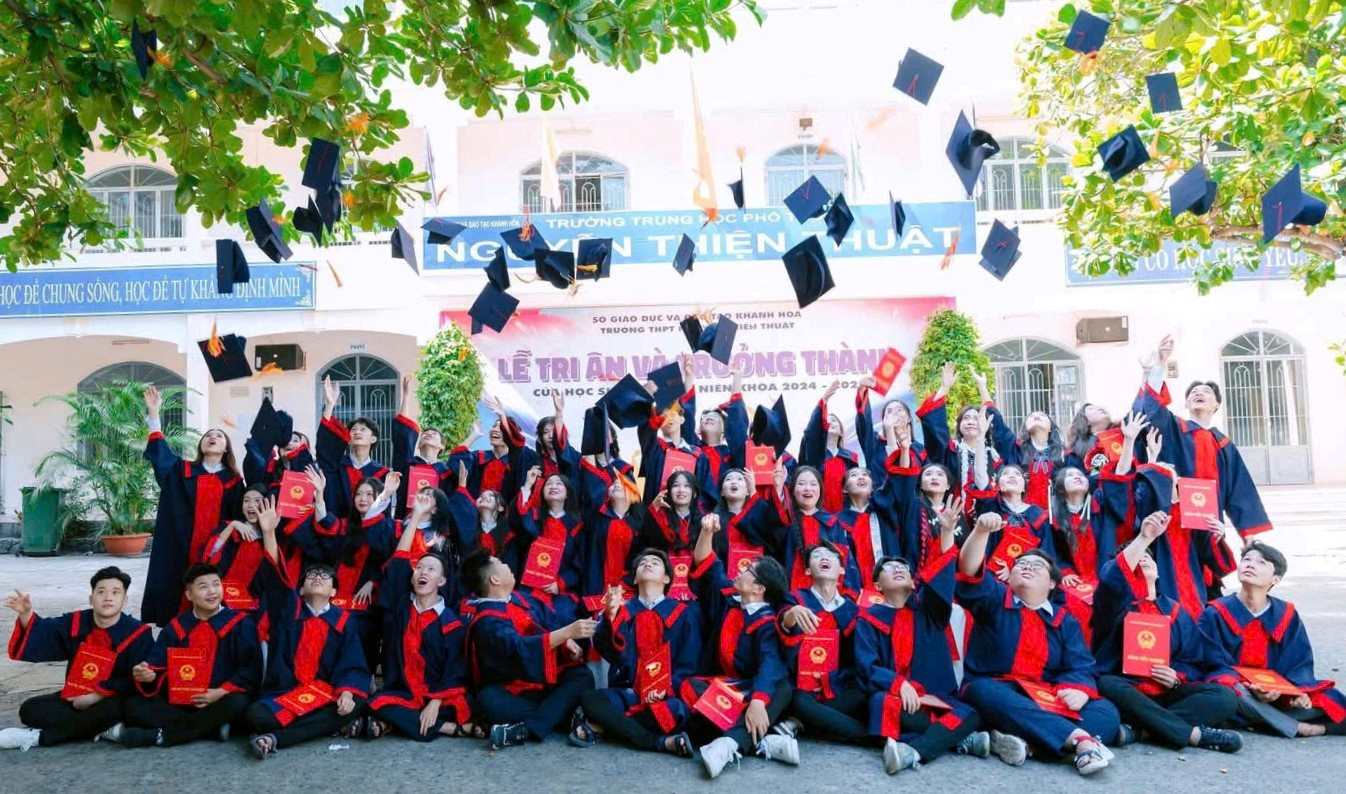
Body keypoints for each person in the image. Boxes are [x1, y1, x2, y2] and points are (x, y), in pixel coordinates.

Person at [957, 513, 1121, 777]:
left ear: (1053, 583)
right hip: (1000, 687)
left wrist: (1077, 690)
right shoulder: (995, 598)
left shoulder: (1064, 620)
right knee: (982, 692)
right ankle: (1081, 742)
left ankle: (1027, 744)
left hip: (1046, 694)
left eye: (1037, 565)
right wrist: (979, 531)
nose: (1027, 566)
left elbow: (1081, 666)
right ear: (1008, 577)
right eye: (1020, 563)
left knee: (1106, 712)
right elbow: (969, 570)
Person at [1090, 511, 1243, 753]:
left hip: (1166, 690)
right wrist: (1143, 539)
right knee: (1108, 683)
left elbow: (1196, 658)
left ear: (1158, 571)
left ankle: (1142, 730)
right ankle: (1192, 734)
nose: (1142, 560)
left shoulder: (1174, 611)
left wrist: (1176, 677)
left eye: (1147, 559)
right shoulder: (1114, 605)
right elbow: (1111, 579)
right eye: (1135, 559)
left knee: (1224, 697)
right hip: (1128, 688)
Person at [854, 535, 995, 774]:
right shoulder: (868, 618)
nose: (897, 569)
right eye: (889, 568)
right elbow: (866, 665)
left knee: (969, 713)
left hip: (936, 699)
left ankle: (913, 752)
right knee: (881, 703)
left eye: (903, 568)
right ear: (877, 585)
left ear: (913, 582)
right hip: (900, 700)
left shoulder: (930, 611)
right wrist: (899, 685)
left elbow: (940, 579)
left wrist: (948, 531)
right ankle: (958, 739)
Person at [245, 497, 368, 759]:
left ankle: (276, 738)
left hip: (324, 692)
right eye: (311, 576)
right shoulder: (290, 610)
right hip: (287, 690)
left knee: (355, 703)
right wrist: (268, 533)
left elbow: (353, 663)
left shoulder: (344, 621)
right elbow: (276, 579)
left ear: (334, 591)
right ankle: (323, 728)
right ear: (300, 589)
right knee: (256, 714)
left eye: (324, 577)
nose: (316, 578)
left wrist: (346, 691)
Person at [688, 512, 796, 779]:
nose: (739, 569)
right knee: (690, 691)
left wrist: (758, 702)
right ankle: (765, 741)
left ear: (758, 588)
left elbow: (770, 663)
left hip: (751, 687)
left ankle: (728, 745)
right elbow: (706, 561)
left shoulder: (767, 620)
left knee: (781, 687)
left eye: (747, 571)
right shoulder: (729, 598)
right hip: (724, 684)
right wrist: (706, 532)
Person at [1201, 542, 1346, 738]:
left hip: (1277, 693)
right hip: (1238, 687)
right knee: (1228, 691)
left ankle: (1265, 721)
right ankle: (1294, 726)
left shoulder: (1286, 614)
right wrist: (1249, 686)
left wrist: (1296, 693)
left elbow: (1298, 661)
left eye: (1261, 562)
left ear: (1275, 578)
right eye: (1246, 560)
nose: (1250, 565)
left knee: (1332, 700)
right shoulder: (1216, 612)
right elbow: (1210, 660)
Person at [1132, 335, 1271, 538]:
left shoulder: (1223, 444)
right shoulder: (1173, 428)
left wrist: (1247, 537)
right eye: (1193, 392)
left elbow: (1239, 489)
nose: (1199, 393)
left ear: (1216, 405)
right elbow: (1152, 410)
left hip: (1211, 525)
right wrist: (1160, 363)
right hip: (1173, 522)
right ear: (1187, 404)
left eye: (1206, 391)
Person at [0, 567, 153, 751]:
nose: (108, 597)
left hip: (111, 700)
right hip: (76, 696)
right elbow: (45, 633)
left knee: (126, 709)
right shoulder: (76, 622)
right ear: (91, 598)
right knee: (29, 709)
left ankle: (38, 737)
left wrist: (96, 696)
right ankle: (104, 730)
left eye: (115, 592)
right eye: (101, 592)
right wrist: (26, 614)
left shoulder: (138, 633)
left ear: (125, 600)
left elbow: (136, 682)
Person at [366, 489, 477, 742]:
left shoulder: (451, 623)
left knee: (469, 702)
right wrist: (415, 516)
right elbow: (399, 561)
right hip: (403, 692)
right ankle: (448, 729)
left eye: (431, 569)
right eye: (419, 568)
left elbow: (455, 670)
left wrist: (436, 701)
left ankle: (400, 724)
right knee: (375, 701)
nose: (422, 572)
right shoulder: (400, 608)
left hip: (440, 695)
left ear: (442, 580)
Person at [460, 549, 597, 749]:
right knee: (489, 701)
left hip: (542, 683)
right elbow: (519, 649)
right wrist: (566, 633)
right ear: (495, 579)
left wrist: (565, 642)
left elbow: (547, 626)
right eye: (501, 562)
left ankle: (524, 729)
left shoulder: (520, 599)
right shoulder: (487, 621)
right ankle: (559, 717)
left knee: (582, 675)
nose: (507, 565)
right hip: (511, 691)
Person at [115, 563, 262, 747]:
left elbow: (251, 668)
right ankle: (211, 728)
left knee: (238, 703)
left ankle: (161, 736)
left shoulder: (240, 624)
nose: (212, 591)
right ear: (189, 594)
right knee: (133, 706)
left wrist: (219, 692)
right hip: (181, 702)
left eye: (216, 584)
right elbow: (156, 662)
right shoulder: (176, 627)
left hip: (220, 698)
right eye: (203, 586)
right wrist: (147, 672)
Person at [1103, 422, 1236, 620]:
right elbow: (1130, 487)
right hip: (1158, 579)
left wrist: (1216, 538)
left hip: (1193, 584)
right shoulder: (1148, 510)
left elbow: (1209, 554)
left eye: (1171, 475)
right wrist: (1146, 454)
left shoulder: (1191, 508)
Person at [576, 549, 703, 755]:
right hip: (629, 692)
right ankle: (659, 743)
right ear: (635, 578)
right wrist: (610, 617)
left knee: (677, 710)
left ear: (667, 578)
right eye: (643, 562)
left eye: (655, 562)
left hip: (666, 695)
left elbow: (688, 662)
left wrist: (666, 689)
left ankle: (602, 726)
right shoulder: (623, 611)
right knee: (591, 699)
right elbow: (611, 653)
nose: (648, 563)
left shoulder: (683, 614)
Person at [141, 385, 244, 626]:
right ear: (201, 445)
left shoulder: (233, 481)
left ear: (226, 447)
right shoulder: (183, 471)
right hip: (181, 545)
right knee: (176, 589)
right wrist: (154, 414)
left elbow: (240, 514)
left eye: (219, 435)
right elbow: (160, 455)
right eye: (208, 435)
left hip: (217, 548)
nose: (212, 437)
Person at [776, 543, 864, 744]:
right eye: (817, 555)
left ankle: (800, 722)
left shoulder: (852, 609)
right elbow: (783, 627)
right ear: (807, 570)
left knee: (864, 694)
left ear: (842, 569)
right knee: (794, 698)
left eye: (830, 555)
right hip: (801, 687)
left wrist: (830, 679)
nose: (824, 558)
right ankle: (870, 737)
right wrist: (790, 615)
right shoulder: (796, 599)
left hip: (836, 687)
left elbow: (854, 659)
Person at [854, 360, 952, 490]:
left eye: (899, 410)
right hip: (881, 506)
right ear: (883, 421)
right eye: (889, 411)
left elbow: (937, 434)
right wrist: (862, 389)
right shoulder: (874, 445)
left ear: (909, 419)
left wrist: (944, 389)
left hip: (913, 506)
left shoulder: (920, 450)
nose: (894, 413)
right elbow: (863, 422)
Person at [773, 465, 863, 595]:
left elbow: (845, 561)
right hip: (794, 599)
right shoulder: (786, 520)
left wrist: (849, 595)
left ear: (820, 489)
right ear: (792, 490)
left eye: (813, 484)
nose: (807, 488)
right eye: (801, 484)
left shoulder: (832, 523)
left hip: (829, 596)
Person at [317, 374, 391, 519]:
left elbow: (384, 510)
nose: (357, 432)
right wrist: (330, 405)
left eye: (363, 429)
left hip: (367, 533)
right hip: (337, 529)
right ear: (348, 439)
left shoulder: (381, 473)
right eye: (353, 430)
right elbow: (324, 447)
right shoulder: (337, 465)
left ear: (373, 439)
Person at [679, 360, 748, 508]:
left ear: (724, 431)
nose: (709, 418)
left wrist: (737, 379)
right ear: (698, 429)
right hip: (697, 511)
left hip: (727, 510)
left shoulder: (731, 454)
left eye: (716, 418)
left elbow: (738, 431)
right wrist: (689, 378)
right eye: (704, 418)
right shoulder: (692, 448)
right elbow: (687, 418)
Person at [513, 467, 585, 605]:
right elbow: (520, 516)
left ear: (567, 493)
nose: (553, 486)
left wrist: (560, 584)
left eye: (559, 483)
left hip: (562, 592)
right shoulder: (534, 518)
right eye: (548, 484)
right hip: (530, 588)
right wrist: (528, 484)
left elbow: (579, 564)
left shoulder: (577, 526)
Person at [200, 484, 271, 614]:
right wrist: (233, 525)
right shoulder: (229, 528)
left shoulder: (270, 537)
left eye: (257, 500)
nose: (250, 505)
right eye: (246, 500)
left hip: (251, 604)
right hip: (219, 598)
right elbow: (209, 556)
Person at [390, 374, 454, 518]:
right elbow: (402, 436)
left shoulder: (447, 472)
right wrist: (406, 396)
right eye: (424, 433)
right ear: (418, 445)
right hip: (406, 521)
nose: (428, 434)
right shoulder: (409, 464)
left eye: (434, 434)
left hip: (436, 527)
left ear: (442, 446)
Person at [580, 475, 644, 615]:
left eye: (623, 483)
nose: (617, 484)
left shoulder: (640, 526)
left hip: (627, 588)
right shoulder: (595, 518)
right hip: (596, 584)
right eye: (614, 483)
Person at [799, 380, 859, 514]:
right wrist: (824, 400)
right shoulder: (815, 455)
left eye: (834, 420)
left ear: (841, 431)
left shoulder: (851, 458)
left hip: (844, 514)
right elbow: (811, 432)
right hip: (819, 513)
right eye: (827, 420)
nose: (830, 422)